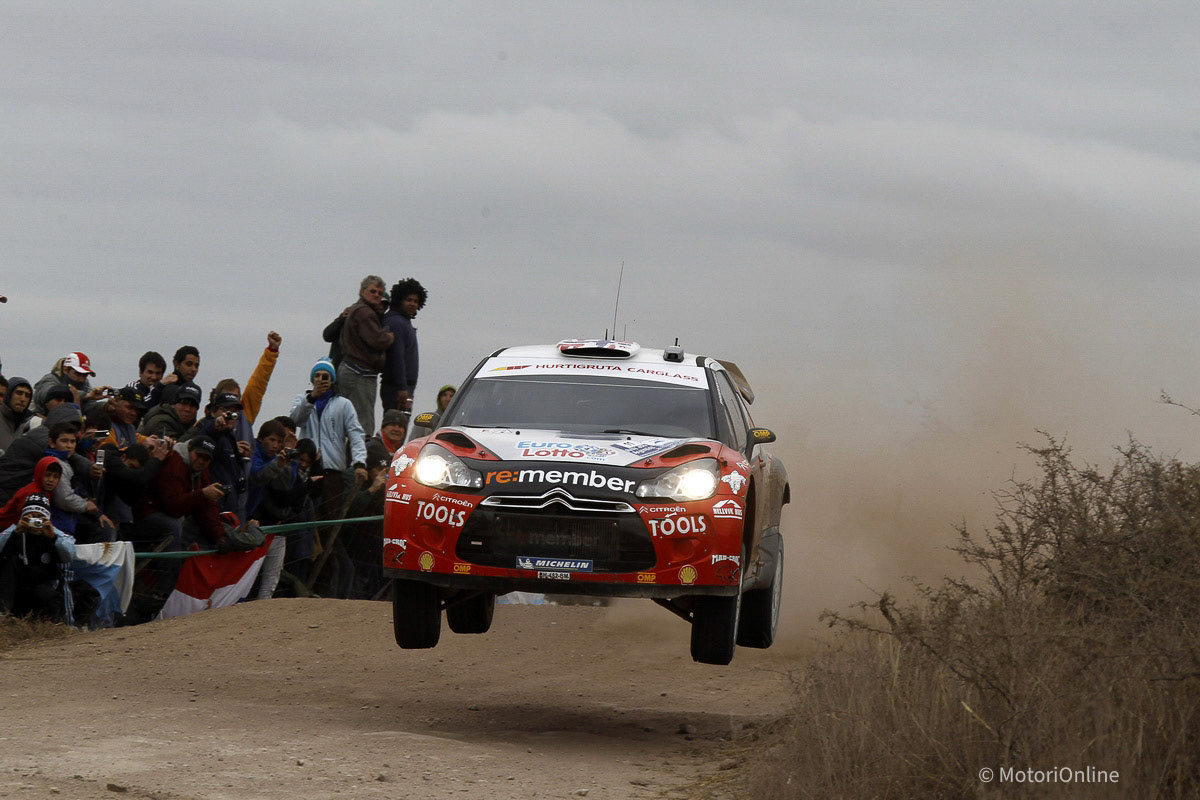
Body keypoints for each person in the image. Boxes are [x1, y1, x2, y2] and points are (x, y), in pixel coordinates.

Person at [289, 358, 367, 597]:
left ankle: (330, 588)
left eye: (326, 376)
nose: (322, 380)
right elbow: (293, 421)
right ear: (312, 379)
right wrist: (311, 398)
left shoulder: (343, 404)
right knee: (306, 524)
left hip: (332, 473)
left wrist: (359, 462)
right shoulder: (303, 401)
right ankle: (308, 585)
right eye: (318, 375)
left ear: (333, 379)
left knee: (330, 528)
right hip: (308, 468)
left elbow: (355, 432)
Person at [0, 493, 81, 622]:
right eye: (31, 518)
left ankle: (54, 625)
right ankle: (3, 616)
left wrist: (53, 538)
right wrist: (16, 533)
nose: (35, 523)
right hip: (15, 589)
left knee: (47, 595)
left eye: (40, 518)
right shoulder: (14, 532)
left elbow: (69, 556)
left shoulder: (54, 533)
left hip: (43, 588)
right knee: (11, 561)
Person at [337, 275, 394, 441]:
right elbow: (377, 340)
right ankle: (359, 463)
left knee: (350, 421)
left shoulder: (358, 309)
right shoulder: (365, 312)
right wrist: (390, 337)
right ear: (362, 292)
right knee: (363, 425)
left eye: (379, 292)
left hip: (351, 370)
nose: (376, 295)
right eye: (372, 291)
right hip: (359, 373)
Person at [380, 278, 426, 418]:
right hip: (397, 387)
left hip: (404, 386)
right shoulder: (396, 322)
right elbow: (396, 356)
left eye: (415, 301)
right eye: (409, 300)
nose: (412, 304)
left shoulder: (403, 321)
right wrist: (401, 387)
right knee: (395, 428)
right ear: (399, 299)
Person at [32, 352, 110, 415]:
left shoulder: (85, 384)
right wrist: (85, 395)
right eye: (78, 374)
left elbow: (88, 407)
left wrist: (106, 406)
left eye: (85, 375)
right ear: (66, 369)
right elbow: (48, 393)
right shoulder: (49, 379)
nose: (82, 379)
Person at [0, 377, 34, 453]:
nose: (23, 399)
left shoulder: (26, 427)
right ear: (8, 394)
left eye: (27, 395)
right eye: (19, 393)